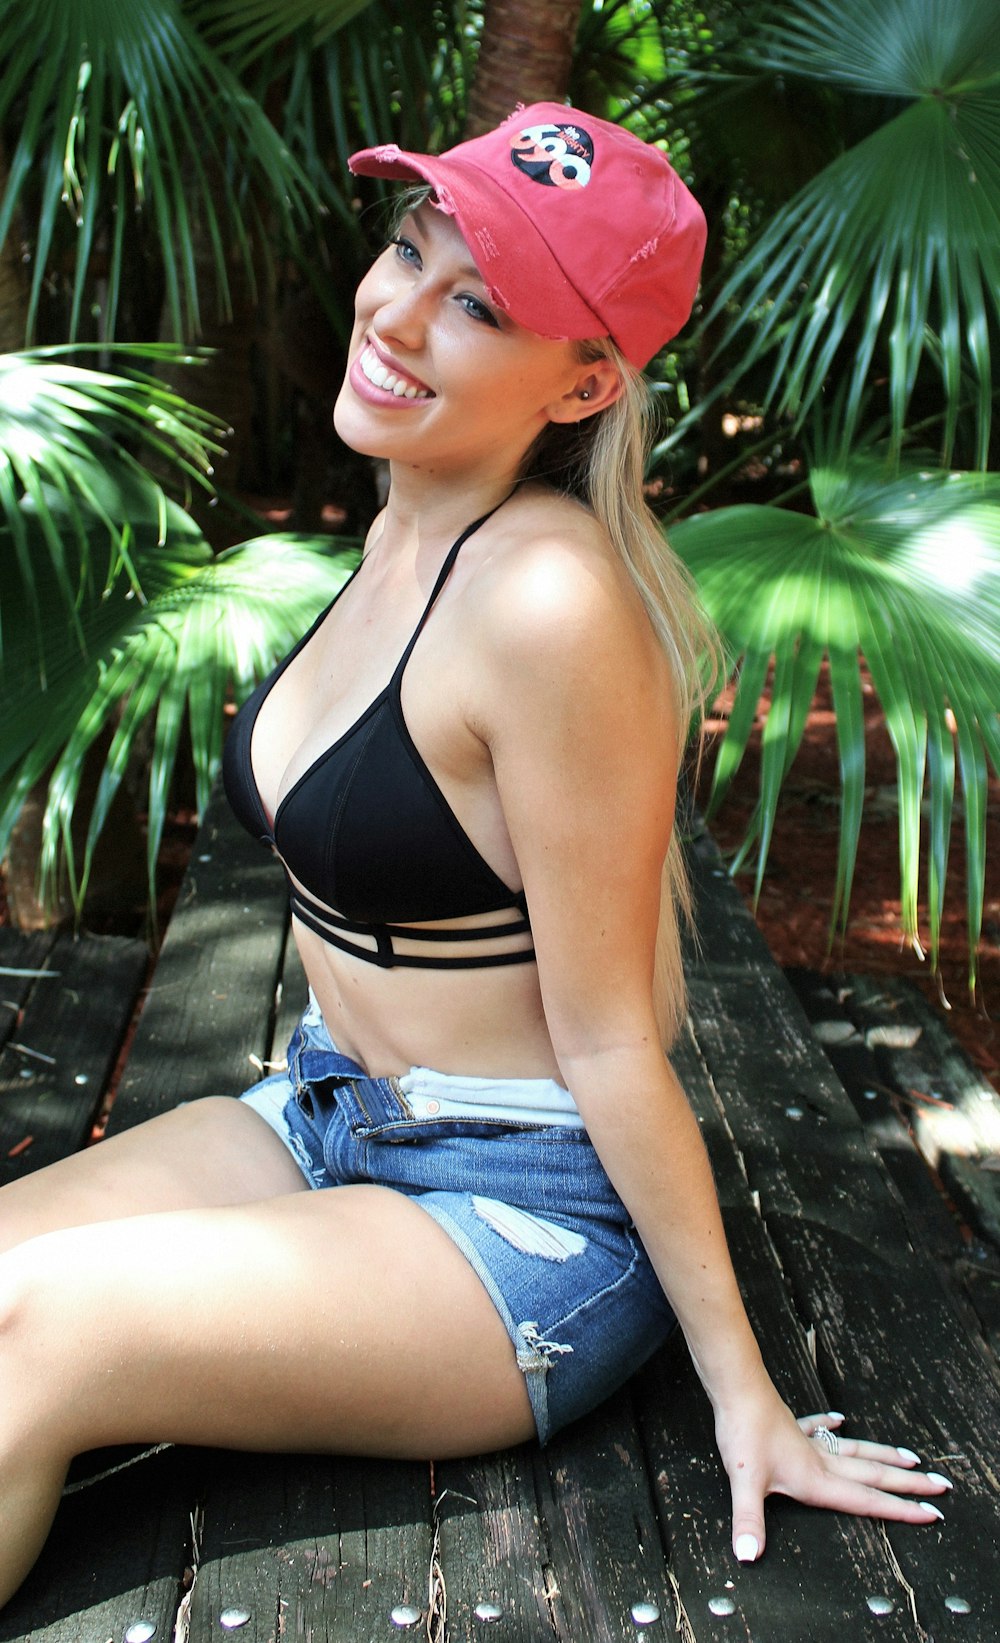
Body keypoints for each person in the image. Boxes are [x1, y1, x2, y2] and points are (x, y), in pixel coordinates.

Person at [0, 103, 949, 1608]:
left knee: (38, 1334)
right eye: (407, 251)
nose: (396, 311)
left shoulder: (551, 607)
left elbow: (615, 1043)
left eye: (476, 304)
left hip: (522, 1221)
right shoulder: (404, 522)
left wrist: (745, 1395)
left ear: (584, 381)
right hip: (323, 1114)